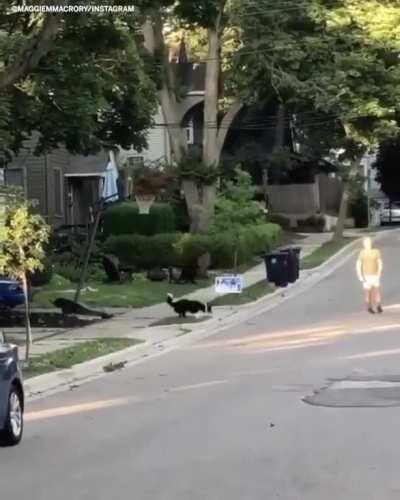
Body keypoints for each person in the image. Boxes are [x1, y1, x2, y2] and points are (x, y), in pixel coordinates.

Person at [356, 237, 383, 314]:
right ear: (364, 244)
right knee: (367, 292)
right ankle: (369, 307)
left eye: (369, 242)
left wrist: (379, 272)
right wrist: (360, 276)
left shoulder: (376, 251)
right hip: (366, 276)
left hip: (375, 274)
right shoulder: (362, 253)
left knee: (377, 291)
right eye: (367, 243)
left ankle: (378, 306)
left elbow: (379, 262)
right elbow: (358, 265)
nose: (368, 244)